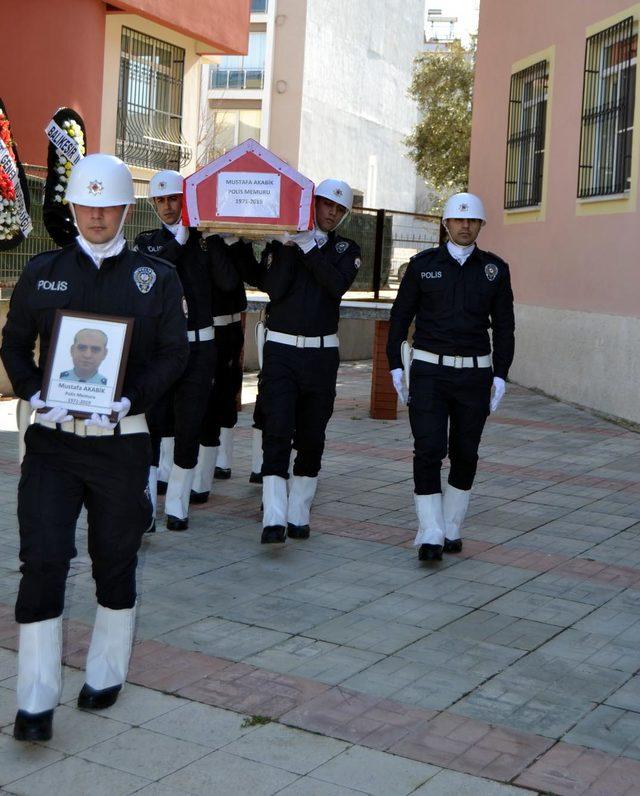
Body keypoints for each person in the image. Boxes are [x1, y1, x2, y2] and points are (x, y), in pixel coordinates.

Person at [0, 153, 189, 741]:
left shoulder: (156, 278)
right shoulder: (43, 271)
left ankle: (106, 672)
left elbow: (174, 356)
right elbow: (12, 346)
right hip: (53, 444)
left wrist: (129, 401)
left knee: (115, 560)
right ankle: (33, 700)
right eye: (87, 203)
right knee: (43, 562)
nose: (97, 215)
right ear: (73, 207)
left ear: (126, 211)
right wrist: (35, 391)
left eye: (108, 205)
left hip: (121, 445)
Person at [387, 192, 515, 562]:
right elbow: (399, 319)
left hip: (474, 376)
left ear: (480, 226)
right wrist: (396, 364)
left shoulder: (494, 270)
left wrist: (501, 374)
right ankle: (429, 531)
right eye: (458, 220)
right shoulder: (422, 265)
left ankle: (451, 526)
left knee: (465, 453)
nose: (465, 226)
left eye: (472, 221)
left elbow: (505, 327)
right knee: (428, 449)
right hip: (428, 372)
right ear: (445, 223)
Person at [135, 170, 240, 529]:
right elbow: (150, 275)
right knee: (154, 425)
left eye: (173, 199)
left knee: (190, 424)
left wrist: (219, 242)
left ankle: (177, 505)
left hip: (200, 347)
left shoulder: (204, 242)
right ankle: (147, 506)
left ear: (186, 199)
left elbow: (228, 284)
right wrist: (181, 241)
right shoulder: (146, 242)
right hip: (161, 350)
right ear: (153, 204)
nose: (167, 206)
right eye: (160, 200)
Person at [258, 179, 361, 543]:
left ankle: (299, 509)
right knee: (277, 428)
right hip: (282, 349)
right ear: (311, 204)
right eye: (325, 205)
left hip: (321, 353)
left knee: (313, 433)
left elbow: (335, 285)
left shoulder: (347, 250)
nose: (330, 213)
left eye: (339, 209)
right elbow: (274, 289)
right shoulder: (281, 243)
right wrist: (289, 246)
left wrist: (309, 248)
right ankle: (273, 514)